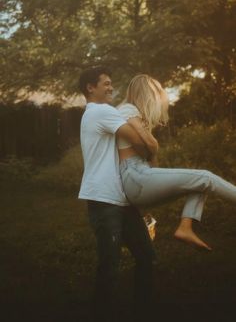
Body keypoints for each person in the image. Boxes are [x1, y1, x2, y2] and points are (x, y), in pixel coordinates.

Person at [117, 74, 236, 251]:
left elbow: (151, 158)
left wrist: (151, 157)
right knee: (205, 177)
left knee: (199, 183)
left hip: (140, 176)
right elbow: (151, 144)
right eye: (155, 93)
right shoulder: (127, 109)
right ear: (146, 93)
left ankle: (185, 228)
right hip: (134, 175)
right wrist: (152, 147)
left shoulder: (136, 115)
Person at [78, 67, 155, 322]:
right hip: (104, 199)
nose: (111, 87)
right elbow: (138, 140)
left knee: (146, 255)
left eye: (111, 83)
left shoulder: (98, 113)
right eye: (106, 83)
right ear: (90, 87)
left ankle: (142, 311)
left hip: (120, 198)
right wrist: (146, 136)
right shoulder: (101, 111)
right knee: (110, 267)